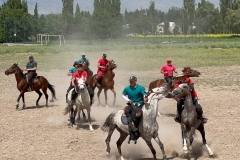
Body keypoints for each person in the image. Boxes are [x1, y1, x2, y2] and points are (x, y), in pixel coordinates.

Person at [122, 76, 148, 144]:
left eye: (132, 81)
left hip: (140, 103)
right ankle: (131, 125)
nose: (131, 83)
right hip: (131, 104)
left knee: (138, 114)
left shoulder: (140, 87)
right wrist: (128, 100)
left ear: (135, 81)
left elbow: (144, 94)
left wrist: (145, 98)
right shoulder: (127, 88)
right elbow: (123, 95)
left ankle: (139, 127)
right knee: (127, 111)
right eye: (130, 81)